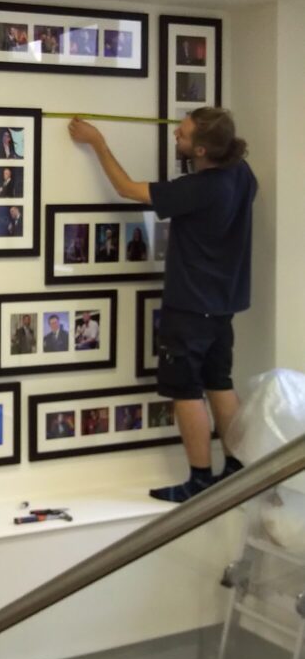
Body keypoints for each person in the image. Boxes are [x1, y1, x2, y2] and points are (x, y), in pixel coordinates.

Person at [69, 108, 256, 501]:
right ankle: (239, 471)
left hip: (190, 307)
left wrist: (97, 143)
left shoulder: (202, 188)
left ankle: (200, 480)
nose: (177, 137)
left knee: (186, 391)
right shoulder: (242, 175)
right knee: (218, 382)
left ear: (202, 149)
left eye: (184, 136)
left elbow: (126, 188)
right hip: (222, 305)